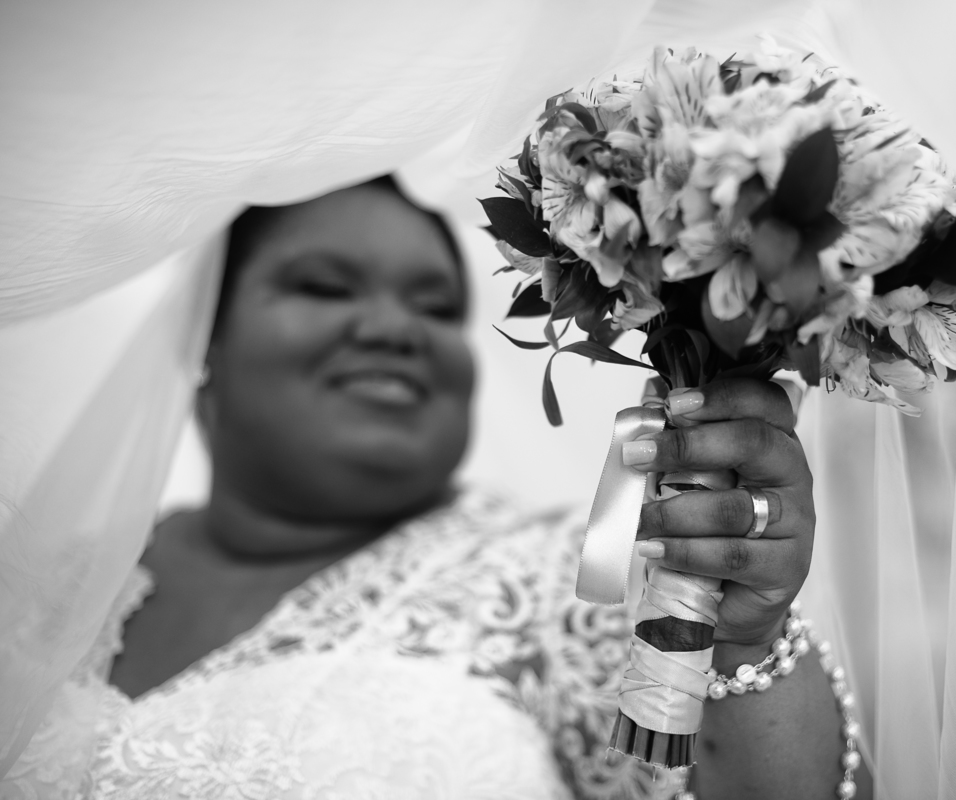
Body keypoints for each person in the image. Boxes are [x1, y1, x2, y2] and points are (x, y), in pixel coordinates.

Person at [3, 175, 866, 800]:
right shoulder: (50, 592)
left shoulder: (585, 580)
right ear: (206, 343)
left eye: (435, 305)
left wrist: (741, 640)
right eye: (323, 286)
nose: (394, 328)